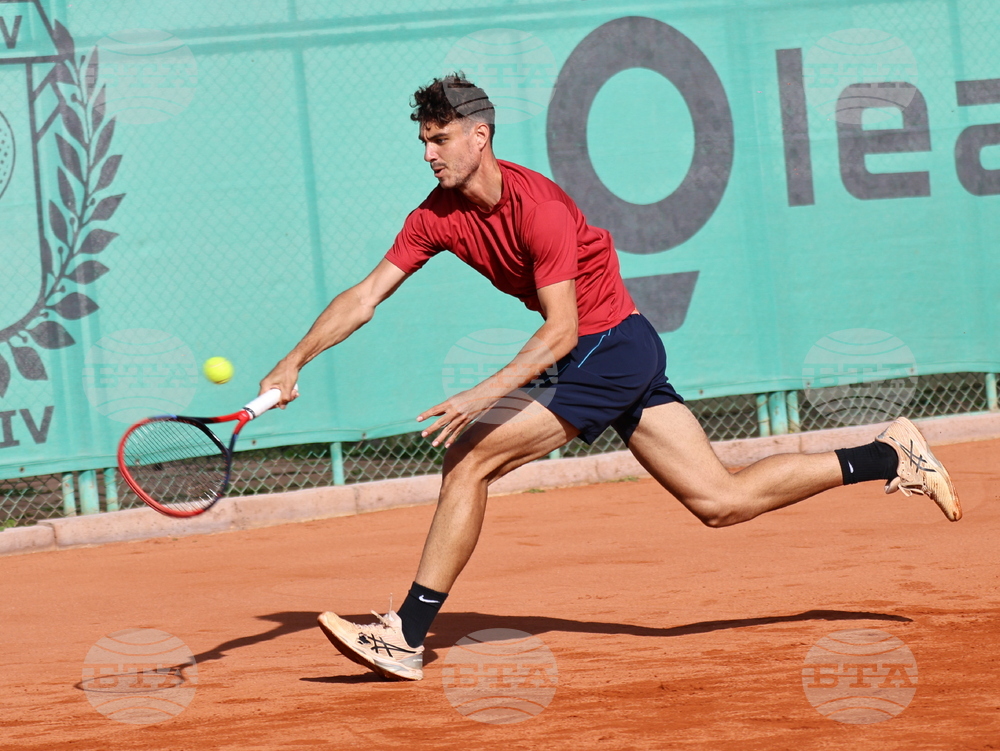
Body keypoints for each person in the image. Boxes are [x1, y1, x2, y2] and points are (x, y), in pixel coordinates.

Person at [259, 73, 961, 682]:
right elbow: (365, 295)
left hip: (607, 346)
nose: (428, 152)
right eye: (423, 140)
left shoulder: (539, 208)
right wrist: (296, 358)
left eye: (439, 138)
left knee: (470, 457)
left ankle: (407, 635)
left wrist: (483, 394)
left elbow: (562, 330)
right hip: (611, 350)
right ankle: (889, 455)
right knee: (721, 500)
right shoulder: (435, 216)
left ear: (480, 136)